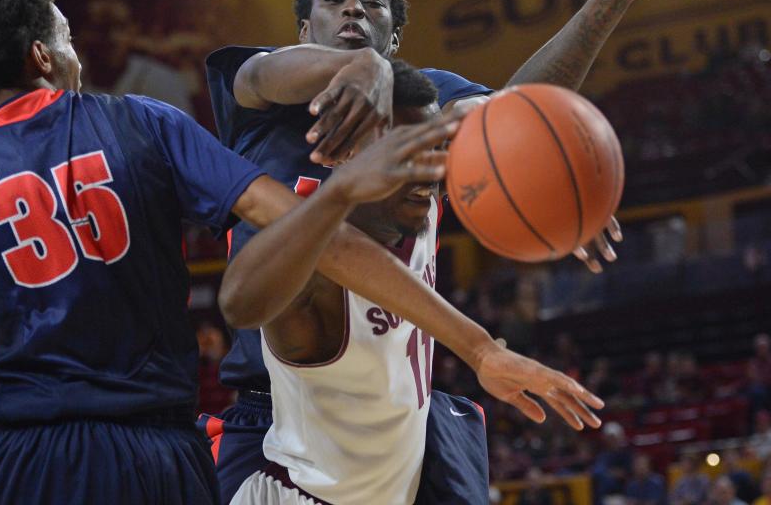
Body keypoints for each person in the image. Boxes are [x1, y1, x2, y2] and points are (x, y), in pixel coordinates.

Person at [0, 0, 503, 505]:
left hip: (28, 459)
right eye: (68, 37)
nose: (78, 53)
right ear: (42, 57)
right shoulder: (141, 122)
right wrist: (476, 345)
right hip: (162, 456)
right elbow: (314, 235)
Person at [203, 0, 722, 504]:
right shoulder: (262, 97)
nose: (353, 7)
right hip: (278, 412)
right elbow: (265, 77)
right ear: (301, 31)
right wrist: (360, 66)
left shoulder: (419, 100)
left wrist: (555, 178)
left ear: (396, 38)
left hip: (402, 410)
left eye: (371, 3)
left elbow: (508, 120)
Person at [223, 61, 602, 504]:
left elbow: (514, 112)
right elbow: (240, 303)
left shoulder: (414, 207)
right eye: (404, 151)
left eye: (434, 148)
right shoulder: (313, 266)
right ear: (347, 155)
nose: (427, 170)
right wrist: (340, 192)